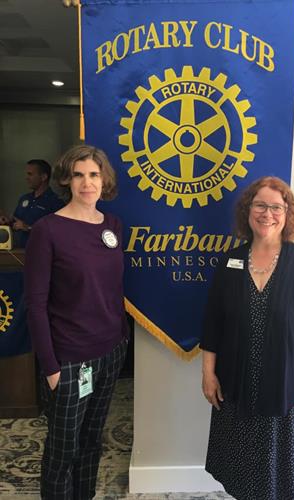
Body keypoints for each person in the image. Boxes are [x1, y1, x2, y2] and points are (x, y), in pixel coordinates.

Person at [200, 176, 294, 500]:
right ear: (248, 211)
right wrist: (208, 374)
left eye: (276, 207)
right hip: (237, 387)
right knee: (242, 473)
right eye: (260, 205)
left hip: (289, 390)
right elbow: (213, 324)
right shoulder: (229, 262)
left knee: (283, 478)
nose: (267, 213)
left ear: (287, 214)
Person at [25, 145, 129, 500]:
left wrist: (121, 338)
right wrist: (50, 366)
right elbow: (36, 304)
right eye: (80, 175)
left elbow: (111, 288)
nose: (88, 182)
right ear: (67, 179)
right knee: (62, 450)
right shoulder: (47, 230)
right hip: (69, 360)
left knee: (91, 442)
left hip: (111, 352)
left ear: (105, 180)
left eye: (94, 175)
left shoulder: (112, 226)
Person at [11, 159, 64, 247]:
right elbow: (16, 223)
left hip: (42, 254)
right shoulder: (24, 198)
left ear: (43, 177)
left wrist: (28, 228)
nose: (27, 178)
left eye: (30, 174)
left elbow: (59, 232)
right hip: (19, 253)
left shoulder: (56, 202)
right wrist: (6, 221)